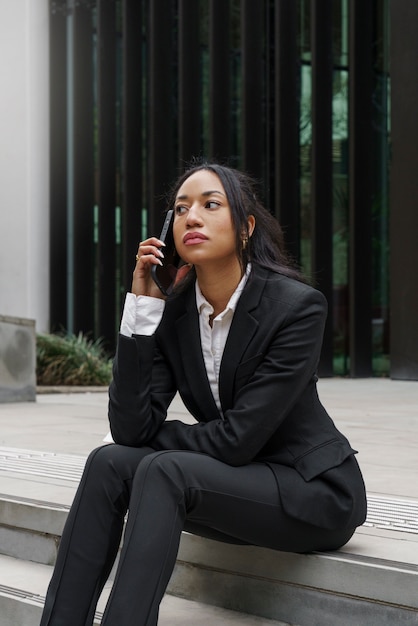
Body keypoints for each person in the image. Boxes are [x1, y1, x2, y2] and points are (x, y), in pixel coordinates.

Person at [40, 162, 367, 625]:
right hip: (232, 484)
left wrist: (160, 442)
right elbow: (130, 430)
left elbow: (237, 440)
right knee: (108, 461)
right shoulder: (173, 315)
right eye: (180, 209)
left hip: (311, 492)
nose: (191, 217)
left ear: (246, 226)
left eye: (211, 205)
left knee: (164, 468)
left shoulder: (296, 308)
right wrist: (142, 309)